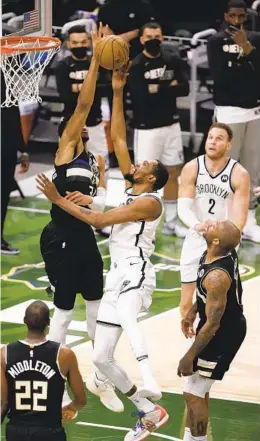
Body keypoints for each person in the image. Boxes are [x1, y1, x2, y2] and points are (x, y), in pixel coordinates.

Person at [36, 66, 169, 441]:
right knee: (88, 341)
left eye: (145, 165)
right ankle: (140, 405)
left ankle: (146, 381)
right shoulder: (75, 152)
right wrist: (117, 86)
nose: (137, 163)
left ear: (151, 178)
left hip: (130, 267)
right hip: (84, 251)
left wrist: (60, 198)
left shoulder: (146, 200)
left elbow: (100, 216)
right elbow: (117, 136)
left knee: (117, 313)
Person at [40, 23, 122, 413]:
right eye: (76, 129)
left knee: (96, 305)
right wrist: (95, 61)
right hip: (62, 237)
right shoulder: (65, 152)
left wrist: (94, 194)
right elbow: (85, 106)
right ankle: (49, 374)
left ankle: (101, 376)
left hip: (86, 235)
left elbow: (101, 208)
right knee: (63, 309)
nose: (82, 132)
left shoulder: (95, 161)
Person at [177, 220, 246, 441]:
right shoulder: (216, 253)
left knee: (194, 391)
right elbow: (207, 296)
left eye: (214, 226)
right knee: (196, 388)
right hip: (214, 325)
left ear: (216, 241)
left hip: (222, 333)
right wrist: (193, 311)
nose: (209, 223)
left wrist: (189, 356)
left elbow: (213, 324)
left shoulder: (217, 276)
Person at [178, 122, 250, 319]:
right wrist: (197, 225)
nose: (213, 142)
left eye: (219, 139)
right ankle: (192, 345)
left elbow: (239, 220)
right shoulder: (192, 167)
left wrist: (222, 239)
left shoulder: (239, 173)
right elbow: (183, 206)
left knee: (219, 302)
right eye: (210, 137)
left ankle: (219, 342)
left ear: (229, 145)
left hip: (223, 242)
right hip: (196, 236)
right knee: (185, 302)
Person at [128, 21, 189, 237]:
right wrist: (167, 87)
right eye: (149, 37)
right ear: (142, 40)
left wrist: (156, 89)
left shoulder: (171, 59)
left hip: (171, 124)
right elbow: (141, 98)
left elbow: (184, 88)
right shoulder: (135, 65)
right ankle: (139, 222)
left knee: (173, 172)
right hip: (147, 129)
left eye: (158, 36)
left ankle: (172, 222)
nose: (154, 40)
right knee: (144, 177)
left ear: (162, 38)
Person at [207, 0, 260, 243]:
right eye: (233, 15)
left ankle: (249, 221)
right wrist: (245, 66)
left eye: (241, 15)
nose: (237, 20)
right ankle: (224, 219)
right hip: (229, 110)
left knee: (251, 169)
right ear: (225, 16)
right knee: (227, 167)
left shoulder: (257, 38)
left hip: (255, 110)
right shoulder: (216, 41)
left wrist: (246, 48)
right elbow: (220, 76)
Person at [1, 300, 86, 441]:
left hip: (16, 432)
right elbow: (81, 400)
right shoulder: (64, 355)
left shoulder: (5, 354)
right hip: (50, 432)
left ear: (24, 321)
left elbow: (3, 404)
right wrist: (69, 409)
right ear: (48, 323)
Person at [55, 24, 111, 171]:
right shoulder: (62, 66)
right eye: (75, 43)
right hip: (70, 124)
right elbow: (65, 96)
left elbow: (107, 89)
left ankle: (100, 194)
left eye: (83, 42)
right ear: (68, 44)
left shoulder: (98, 63)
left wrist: (77, 87)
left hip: (94, 122)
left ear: (88, 42)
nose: (79, 45)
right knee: (68, 169)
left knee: (101, 167)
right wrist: (91, 87)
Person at [1, 75, 30, 255]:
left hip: (6, 146)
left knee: (3, 194)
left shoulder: (6, 76)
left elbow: (13, 114)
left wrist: (22, 149)